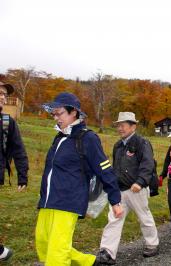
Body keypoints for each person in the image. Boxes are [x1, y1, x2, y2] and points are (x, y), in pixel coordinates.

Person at [35, 92, 123, 266]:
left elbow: (104, 169)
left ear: (73, 112)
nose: (55, 118)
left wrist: (115, 200)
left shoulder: (87, 138)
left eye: (59, 113)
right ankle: (90, 261)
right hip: (48, 200)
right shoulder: (59, 137)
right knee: (44, 243)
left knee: (57, 252)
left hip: (68, 201)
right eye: (53, 114)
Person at [97, 112, 159, 264]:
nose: (120, 128)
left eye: (123, 125)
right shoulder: (118, 145)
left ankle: (152, 244)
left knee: (144, 217)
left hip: (136, 189)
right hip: (119, 190)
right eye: (118, 125)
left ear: (133, 126)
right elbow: (116, 167)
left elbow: (148, 164)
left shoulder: (142, 143)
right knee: (113, 219)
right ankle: (107, 252)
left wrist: (140, 182)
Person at [0, 77, 29, 261]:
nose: (3, 97)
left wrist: (22, 176)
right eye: (0, 93)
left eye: (4, 95)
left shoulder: (7, 122)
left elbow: (19, 149)